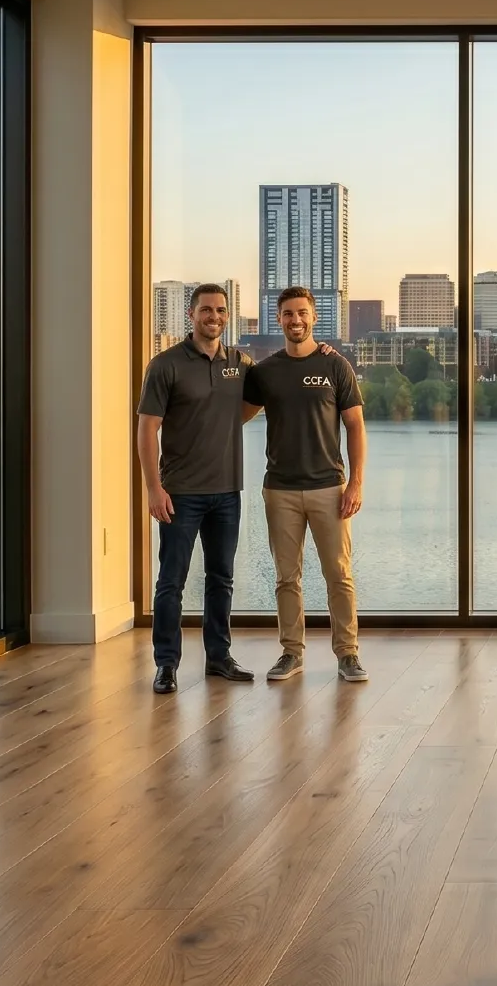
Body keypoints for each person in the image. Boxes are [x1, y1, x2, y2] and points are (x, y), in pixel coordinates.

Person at [137, 282, 259, 694]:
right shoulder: (165, 365)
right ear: (191, 315)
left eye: (221, 310)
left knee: (220, 578)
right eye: (206, 310)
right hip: (180, 492)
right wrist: (153, 488)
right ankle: (166, 664)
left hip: (227, 492)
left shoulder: (239, 362)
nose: (214, 317)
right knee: (171, 580)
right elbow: (147, 429)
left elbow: (257, 398)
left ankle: (218, 658)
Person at [242, 286, 369, 683]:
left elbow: (355, 426)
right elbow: (235, 417)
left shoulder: (337, 366)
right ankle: (291, 653)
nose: (295, 320)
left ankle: (347, 654)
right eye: (287, 314)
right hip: (279, 489)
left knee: (339, 574)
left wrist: (355, 484)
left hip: (329, 488)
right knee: (286, 576)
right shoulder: (265, 371)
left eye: (302, 313)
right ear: (277, 319)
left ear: (313, 317)